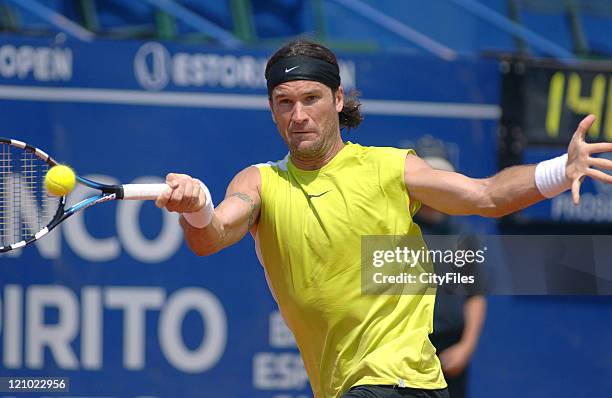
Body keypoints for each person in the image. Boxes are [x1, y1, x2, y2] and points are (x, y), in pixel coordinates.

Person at [154, 39, 612, 398]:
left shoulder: (391, 168)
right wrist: (197, 209)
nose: (298, 115)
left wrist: (559, 170)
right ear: (271, 109)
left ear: (337, 99)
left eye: (311, 98)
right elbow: (212, 235)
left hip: (403, 382)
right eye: (283, 102)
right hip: (341, 386)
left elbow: (486, 195)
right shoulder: (258, 183)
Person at [414, 149, 487, 398]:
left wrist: (466, 347)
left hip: (449, 352)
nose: (436, 186)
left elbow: (475, 295)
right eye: (431, 177)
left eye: (442, 179)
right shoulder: (396, 228)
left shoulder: (463, 234)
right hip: (405, 352)